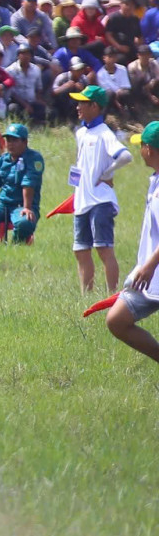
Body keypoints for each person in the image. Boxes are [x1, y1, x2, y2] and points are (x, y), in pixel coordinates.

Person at [106, 120, 159, 362]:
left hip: (152, 271)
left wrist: (148, 266)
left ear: (150, 149)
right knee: (117, 320)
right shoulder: (155, 180)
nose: (140, 151)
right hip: (148, 275)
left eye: (142, 145)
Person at [72, 83, 133, 294]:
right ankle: (86, 295)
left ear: (95, 106)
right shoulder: (81, 133)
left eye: (82, 102)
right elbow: (79, 162)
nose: (78, 106)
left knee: (103, 247)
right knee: (80, 250)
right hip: (82, 200)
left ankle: (112, 294)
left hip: (100, 200)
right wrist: (75, 189)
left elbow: (125, 156)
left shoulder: (104, 133)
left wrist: (107, 173)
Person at [0, 122, 44, 243]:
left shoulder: (34, 158)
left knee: (24, 222)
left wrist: (27, 208)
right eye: (8, 140)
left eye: (15, 140)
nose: (10, 144)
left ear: (25, 142)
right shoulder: (2, 160)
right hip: (3, 205)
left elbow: (29, 183)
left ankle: (16, 246)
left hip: (22, 205)